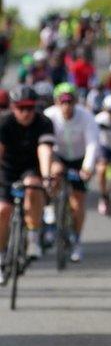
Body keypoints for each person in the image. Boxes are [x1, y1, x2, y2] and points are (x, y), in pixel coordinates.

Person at [0, 85, 54, 281]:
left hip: (31, 166)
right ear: (13, 108)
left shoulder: (44, 122)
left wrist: (47, 177)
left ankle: (33, 236)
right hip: (7, 168)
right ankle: (1, 255)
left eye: (30, 108)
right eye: (21, 108)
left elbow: (45, 150)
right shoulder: (4, 123)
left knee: (33, 185)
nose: (26, 112)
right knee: (2, 211)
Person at [45, 82, 98, 262]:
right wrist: (51, 162)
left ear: (76, 102)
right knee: (53, 176)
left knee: (77, 202)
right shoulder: (49, 116)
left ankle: (76, 240)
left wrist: (87, 167)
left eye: (70, 101)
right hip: (58, 155)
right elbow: (45, 144)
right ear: (57, 102)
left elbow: (92, 143)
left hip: (78, 159)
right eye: (63, 102)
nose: (67, 106)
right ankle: (51, 212)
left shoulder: (86, 116)